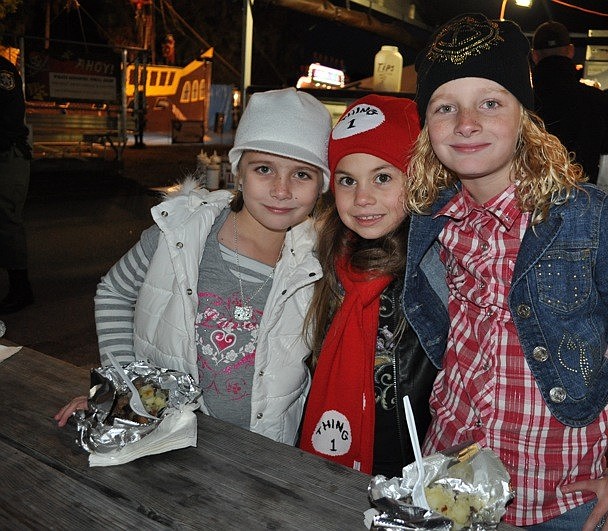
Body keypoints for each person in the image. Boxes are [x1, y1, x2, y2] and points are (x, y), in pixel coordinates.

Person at [404, 13, 608, 530]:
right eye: (445, 107)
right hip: (451, 472)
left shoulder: (582, 218)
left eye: (490, 103)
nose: (466, 123)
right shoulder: (430, 217)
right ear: (427, 126)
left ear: (525, 117)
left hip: (555, 493)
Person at [55, 88, 332, 446]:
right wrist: (121, 388)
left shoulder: (320, 264)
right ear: (238, 172)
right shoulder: (179, 235)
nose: (281, 190)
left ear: (321, 186)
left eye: (302, 174)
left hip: (264, 451)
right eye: (264, 169)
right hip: (167, 437)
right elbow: (114, 292)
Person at [299, 94, 437, 478]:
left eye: (383, 177)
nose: (362, 198)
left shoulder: (437, 267)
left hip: (412, 469)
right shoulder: (323, 260)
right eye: (347, 180)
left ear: (417, 179)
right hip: (326, 457)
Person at [531, 21, 608, 183]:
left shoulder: (519, 101)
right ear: (570, 51)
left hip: (527, 192)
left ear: (535, 56)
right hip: (577, 190)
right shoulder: (592, 99)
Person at [0, 54, 34, 314]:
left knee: (7, 219)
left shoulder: (3, 70)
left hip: (7, 153)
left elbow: (10, 116)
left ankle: (20, 289)